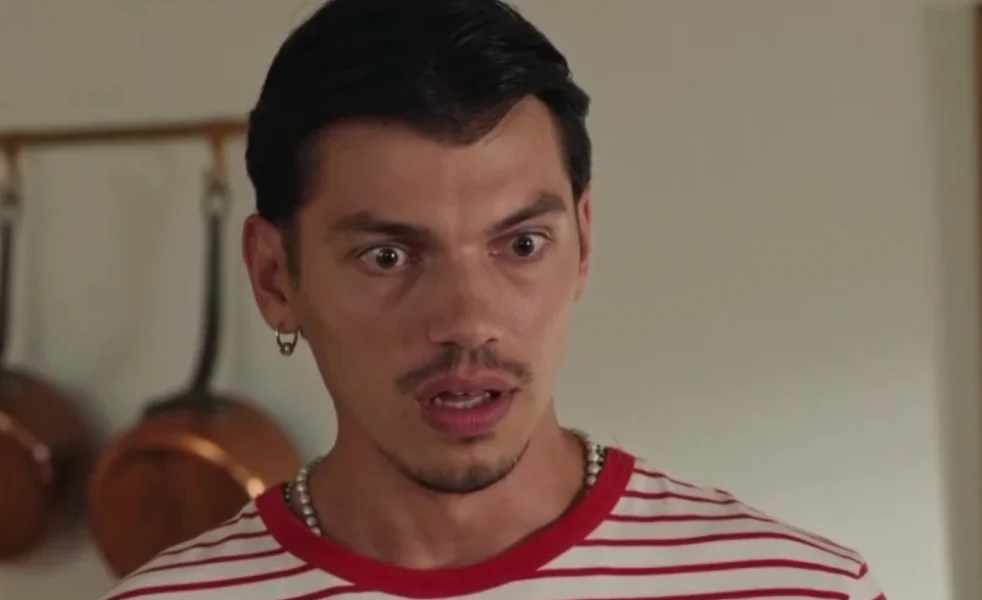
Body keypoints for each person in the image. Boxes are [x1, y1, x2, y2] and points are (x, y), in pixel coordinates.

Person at [100, 0, 887, 598]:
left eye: (521, 245)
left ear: (583, 241)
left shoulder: (802, 591)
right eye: (387, 256)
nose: (467, 320)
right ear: (276, 278)